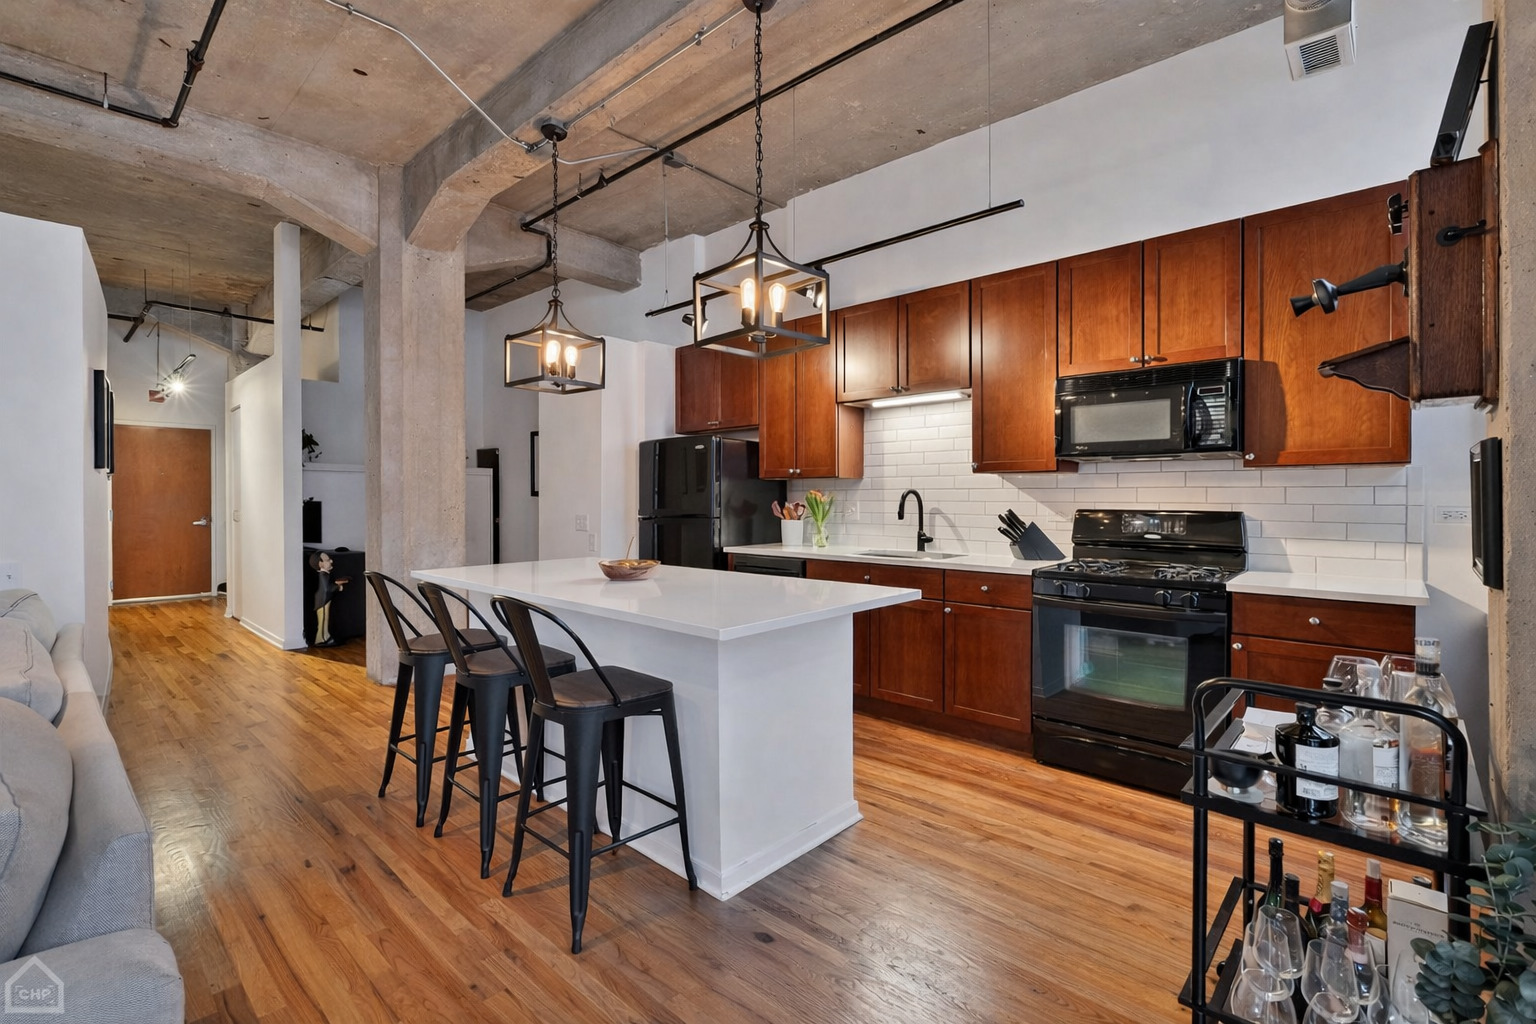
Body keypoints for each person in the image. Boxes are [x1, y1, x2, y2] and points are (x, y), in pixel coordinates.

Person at [309, 550, 348, 647]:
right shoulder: (323, 575)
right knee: (323, 620)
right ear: (320, 563)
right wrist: (337, 586)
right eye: (327, 560)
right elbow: (327, 588)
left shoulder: (325, 574)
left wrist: (336, 584)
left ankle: (325, 637)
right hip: (323, 601)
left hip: (325, 600)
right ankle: (321, 639)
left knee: (325, 620)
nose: (331, 561)